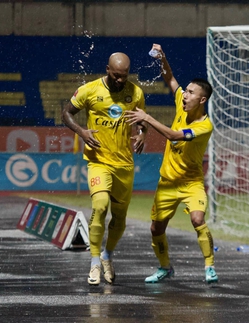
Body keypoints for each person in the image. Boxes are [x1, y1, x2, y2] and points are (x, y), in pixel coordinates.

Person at [125, 44, 218, 284]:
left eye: (190, 92)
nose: (184, 95)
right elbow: (170, 78)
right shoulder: (181, 101)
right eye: (185, 91)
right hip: (167, 183)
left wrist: (147, 118)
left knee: (198, 220)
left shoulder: (204, 126)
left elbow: (174, 136)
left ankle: (209, 267)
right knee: (156, 229)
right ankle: (165, 267)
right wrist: (163, 59)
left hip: (191, 183)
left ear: (202, 99)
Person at [61, 52, 148, 286]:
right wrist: (81, 132)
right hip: (98, 161)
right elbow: (66, 112)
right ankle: (94, 262)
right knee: (99, 207)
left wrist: (142, 133)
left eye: (125, 76)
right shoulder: (89, 90)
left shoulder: (136, 92)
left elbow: (141, 120)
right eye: (117, 75)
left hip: (124, 164)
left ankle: (108, 255)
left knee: (119, 217)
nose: (121, 80)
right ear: (108, 69)